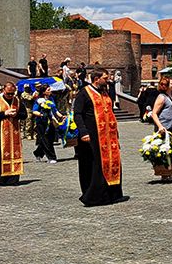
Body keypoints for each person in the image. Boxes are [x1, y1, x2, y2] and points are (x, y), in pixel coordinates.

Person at [73, 70, 127, 206]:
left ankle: (112, 194)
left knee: (112, 163)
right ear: (96, 79)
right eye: (105, 78)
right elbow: (77, 114)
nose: (107, 80)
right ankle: (94, 196)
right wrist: (83, 132)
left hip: (109, 137)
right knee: (95, 165)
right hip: (92, 136)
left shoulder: (104, 92)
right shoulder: (84, 93)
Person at [31, 84, 64, 164]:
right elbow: (34, 111)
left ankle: (38, 153)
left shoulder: (51, 99)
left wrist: (61, 116)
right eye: (48, 90)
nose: (50, 91)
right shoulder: (39, 100)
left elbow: (55, 110)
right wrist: (41, 114)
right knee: (46, 140)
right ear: (44, 92)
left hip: (52, 121)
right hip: (42, 122)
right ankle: (51, 157)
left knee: (50, 139)